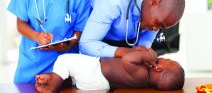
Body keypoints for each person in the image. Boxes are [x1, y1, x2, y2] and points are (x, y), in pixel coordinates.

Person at [7, 0, 91, 83]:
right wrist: (37, 36)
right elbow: (20, 25)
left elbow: (80, 31)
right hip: (32, 62)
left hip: (64, 65)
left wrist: (67, 45)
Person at [79, 0, 185, 58]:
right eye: (157, 23)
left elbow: (147, 38)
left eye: (161, 27)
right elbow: (86, 44)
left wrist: (143, 49)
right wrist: (125, 52)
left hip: (132, 37)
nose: (156, 29)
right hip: (103, 38)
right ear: (153, 2)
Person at [35, 48, 185, 92]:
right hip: (99, 84)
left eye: (169, 61)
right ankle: (55, 77)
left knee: (65, 60)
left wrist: (149, 54)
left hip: (95, 70)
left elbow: (127, 59)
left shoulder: (142, 73)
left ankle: (52, 86)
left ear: (157, 69)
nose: (166, 58)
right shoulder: (144, 81)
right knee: (74, 74)